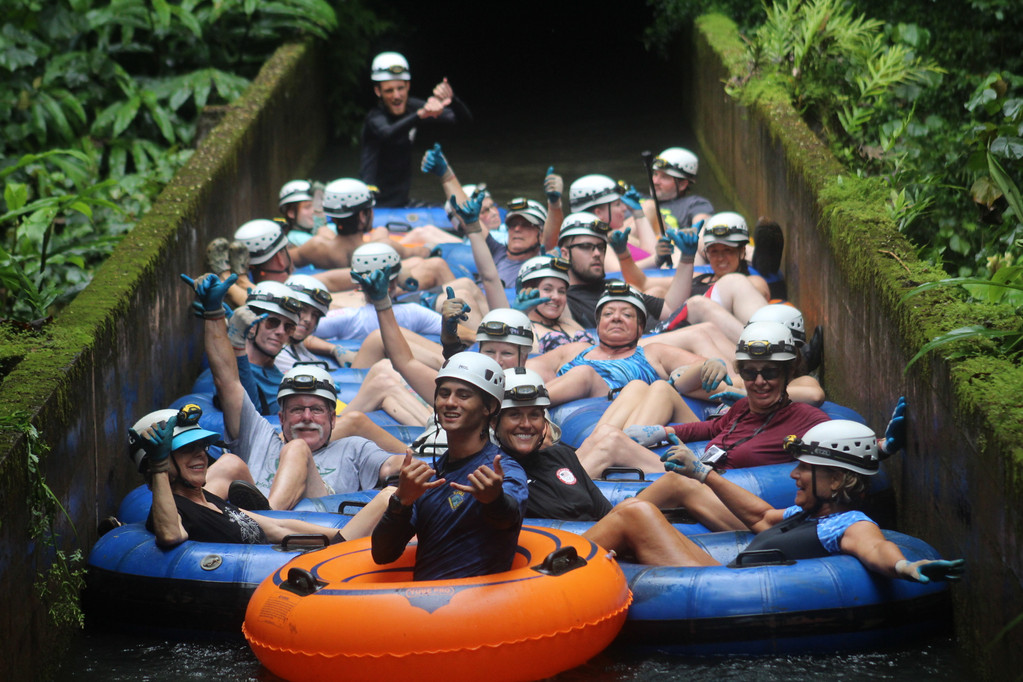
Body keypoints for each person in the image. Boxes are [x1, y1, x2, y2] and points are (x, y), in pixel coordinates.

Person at [583, 420, 964, 587]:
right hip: (722, 571)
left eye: (805, 469)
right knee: (639, 515)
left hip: (721, 586)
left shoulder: (849, 525)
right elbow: (762, 515)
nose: (794, 476)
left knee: (637, 511)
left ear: (835, 480)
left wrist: (906, 566)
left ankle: (555, 567)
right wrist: (702, 473)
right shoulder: (808, 513)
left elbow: (877, 548)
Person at [188, 273, 404, 510]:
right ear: (281, 418)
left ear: (333, 419)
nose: (307, 417)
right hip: (247, 527)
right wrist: (213, 314)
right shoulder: (259, 438)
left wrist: (421, 466)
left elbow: (391, 464)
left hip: (312, 524)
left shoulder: (354, 449)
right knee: (229, 462)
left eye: (317, 410)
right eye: (297, 410)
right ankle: (193, 515)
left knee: (297, 448)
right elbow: (227, 381)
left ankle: (268, 516)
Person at [574, 320, 830, 479]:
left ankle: (560, 490)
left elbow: (825, 418)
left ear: (787, 372)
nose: (759, 381)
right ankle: (563, 475)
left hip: (711, 483)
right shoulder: (743, 409)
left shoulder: (805, 417)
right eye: (750, 372)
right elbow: (710, 427)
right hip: (700, 472)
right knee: (607, 434)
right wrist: (662, 431)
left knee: (614, 443)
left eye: (770, 373)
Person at [128, 405, 391, 547]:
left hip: (320, 552)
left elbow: (277, 527)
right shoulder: (175, 512)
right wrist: (159, 466)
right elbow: (171, 536)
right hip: (270, 578)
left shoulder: (208, 499)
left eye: (201, 447)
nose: (200, 456)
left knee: (386, 505)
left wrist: (336, 536)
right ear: (157, 462)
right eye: (186, 450)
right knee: (389, 496)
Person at [371, 352, 528, 581]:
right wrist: (400, 502)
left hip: (481, 608)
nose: (450, 402)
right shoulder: (430, 475)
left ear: (489, 406)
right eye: (444, 394)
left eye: (463, 395)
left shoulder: (502, 470)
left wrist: (494, 500)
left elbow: (508, 518)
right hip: (425, 605)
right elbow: (383, 554)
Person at [526, 282, 706, 406]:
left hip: (617, 412)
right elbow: (528, 368)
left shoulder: (654, 353)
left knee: (584, 373)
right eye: (608, 314)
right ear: (597, 326)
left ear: (640, 327)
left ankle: (520, 405)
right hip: (560, 414)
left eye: (627, 315)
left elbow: (707, 369)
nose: (616, 318)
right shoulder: (575, 350)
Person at [495, 368, 611, 521]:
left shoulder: (562, 456)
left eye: (534, 415)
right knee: (636, 511)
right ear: (493, 422)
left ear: (544, 420)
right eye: (515, 415)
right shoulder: (495, 472)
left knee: (634, 507)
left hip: (598, 540)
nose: (526, 424)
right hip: (559, 543)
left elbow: (606, 513)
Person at [359, 52, 472, 207]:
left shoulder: (414, 107)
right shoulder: (375, 118)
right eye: (389, 91)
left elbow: (463, 121)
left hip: (401, 201)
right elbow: (388, 133)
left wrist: (452, 100)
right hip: (374, 204)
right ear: (378, 92)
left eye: (401, 88)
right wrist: (420, 115)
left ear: (408, 86)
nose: (397, 96)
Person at [512, 255, 594, 352]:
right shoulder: (521, 329)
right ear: (525, 290)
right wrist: (518, 316)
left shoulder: (569, 322)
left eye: (561, 291)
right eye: (547, 289)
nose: (556, 297)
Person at [642, 147, 713, 235]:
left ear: (682, 185)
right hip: (629, 243)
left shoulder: (695, 204)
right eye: (655, 174)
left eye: (664, 177)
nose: (655, 181)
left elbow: (702, 233)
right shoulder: (634, 198)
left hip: (663, 245)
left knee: (650, 206)